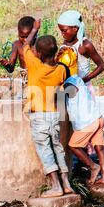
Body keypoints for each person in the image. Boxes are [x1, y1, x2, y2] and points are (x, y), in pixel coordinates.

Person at [18, 19, 74, 198]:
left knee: (45, 150)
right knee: (58, 147)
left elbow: (25, 47)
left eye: (36, 51)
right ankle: (66, 183)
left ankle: (55, 186)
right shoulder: (61, 70)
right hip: (54, 116)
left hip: (39, 118)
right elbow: (65, 78)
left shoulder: (35, 67)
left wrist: (34, 30)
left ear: (39, 54)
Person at [57, 10, 104, 157]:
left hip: (84, 91)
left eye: (64, 31)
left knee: (85, 126)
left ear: (75, 28)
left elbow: (101, 66)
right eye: (60, 30)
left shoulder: (85, 45)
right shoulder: (64, 45)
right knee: (75, 126)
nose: (62, 34)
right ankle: (82, 161)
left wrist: (83, 80)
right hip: (70, 91)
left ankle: (88, 162)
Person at [64, 74, 104, 185]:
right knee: (100, 148)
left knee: (73, 146)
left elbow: (67, 95)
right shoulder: (78, 79)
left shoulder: (68, 85)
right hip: (97, 118)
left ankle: (93, 167)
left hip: (87, 122)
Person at [0, 16, 37, 85]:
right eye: (22, 37)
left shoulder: (39, 45)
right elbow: (11, 69)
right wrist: (6, 64)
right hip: (25, 81)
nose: (25, 40)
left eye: (28, 37)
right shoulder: (17, 45)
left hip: (39, 81)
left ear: (35, 34)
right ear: (18, 34)